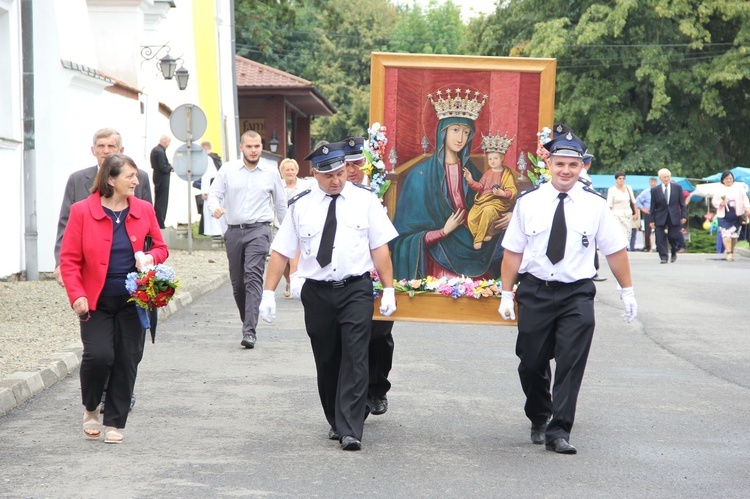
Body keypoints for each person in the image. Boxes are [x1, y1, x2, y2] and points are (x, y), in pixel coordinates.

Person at [499, 131, 637, 455]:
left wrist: (627, 290)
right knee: (531, 363)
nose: (566, 170)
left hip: (577, 293)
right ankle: (539, 414)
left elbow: (615, 250)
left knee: (571, 362)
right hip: (536, 291)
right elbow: (512, 253)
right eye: (560, 163)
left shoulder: (595, 206)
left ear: (582, 166)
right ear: (549, 164)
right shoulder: (528, 203)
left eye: (573, 165)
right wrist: (507, 293)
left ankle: (559, 430)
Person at [258, 141, 398, 451]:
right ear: (315, 174)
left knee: (356, 354)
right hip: (317, 293)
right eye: (327, 175)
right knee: (328, 357)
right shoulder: (301, 206)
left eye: (339, 173)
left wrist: (388, 287)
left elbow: (380, 247)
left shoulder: (366, 201)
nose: (335, 180)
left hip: (356, 288)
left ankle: (351, 428)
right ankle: (337, 419)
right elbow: (281, 250)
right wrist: (268, 293)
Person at [60, 153, 168, 444]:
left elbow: (161, 248)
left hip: (134, 299)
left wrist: (148, 256)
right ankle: (92, 407)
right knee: (99, 356)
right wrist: (77, 294)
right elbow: (68, 260)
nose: (136, 181)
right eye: (129, 176)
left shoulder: (144, 209)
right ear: (110, 179)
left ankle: (115, 423)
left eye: (136, 176)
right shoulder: (83, 211)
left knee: (126, 359)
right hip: (95, 301)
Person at [391, 88, 504, 280]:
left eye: (466, 132)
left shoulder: (474, 173)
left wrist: (505, 216)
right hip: (439, 256)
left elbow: (489, 204)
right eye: (455, 130)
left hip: (473, 245)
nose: (460, 138)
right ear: (442, 132)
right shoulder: (419, 176)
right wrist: (442, 232)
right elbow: (404, 237)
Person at [206, 130, 286, 349]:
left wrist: (288, 234)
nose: (253, 150)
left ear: (261, 147)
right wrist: (215, 208)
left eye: (257, 146)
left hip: (259, 230)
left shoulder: (270, 173)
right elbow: (214, 194)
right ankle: (248, 319)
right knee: (238, 283)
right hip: (233, 231)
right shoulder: (228, 170)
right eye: (249, 146)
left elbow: (280, 205)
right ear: (241, 147)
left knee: (252, 277)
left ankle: (249, 330)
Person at [55, 128, 152, 287]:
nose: (105, 151)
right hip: (90, 269)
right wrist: (60, 263)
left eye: (111, 146)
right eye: (100, 146)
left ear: (121, 150)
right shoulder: (77, 180)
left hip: (132, 267)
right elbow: (65, 224)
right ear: (93, 150)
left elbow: (149, 226)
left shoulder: (139, 177)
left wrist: (150, 259)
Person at [343, 136, 395, 416]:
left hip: (379, 273)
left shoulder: (385, 191)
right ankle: (356, 397)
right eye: (347, 164)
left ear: (369, 165)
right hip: (350, 276)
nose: (352, 170)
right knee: (351, 340)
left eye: (358, 163)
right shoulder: (336, 193)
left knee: (379, 336)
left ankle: (377, 389)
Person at [464, 132, 518, 249]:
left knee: (488, 211)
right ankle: (488, 231)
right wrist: (470, 180)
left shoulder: (506, 174)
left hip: (499, 202)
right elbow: (480, 186)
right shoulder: (488, 173)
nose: (492, 161)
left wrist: (502, 193)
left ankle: (479, 239)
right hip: (483, 200)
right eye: (490, 159)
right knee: (472, 217)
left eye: (495, 158)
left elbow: (512, 190)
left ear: (502, 158)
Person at [278, 158, 308, 297]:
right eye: (287, 170)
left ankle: (297, 284)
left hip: (299, 225)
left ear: (296, 171)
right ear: (281, 172)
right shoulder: (277, 185)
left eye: (292, 169)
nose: (290, 172)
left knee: (296, 256)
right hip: (280, 224)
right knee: (281, 256)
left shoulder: (305, 186)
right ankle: (290, 281)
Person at [649, 168, 687, 264]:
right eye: (664, 177)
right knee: (660, 237)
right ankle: (663, 257)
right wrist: (651, 219)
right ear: (660, 178)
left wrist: (683, 216)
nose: (666, 179)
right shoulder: (655, 190)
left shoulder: (677, 187)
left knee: (673, 236)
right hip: (660, 216)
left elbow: (682, 203)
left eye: (668, 177)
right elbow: (652, 206)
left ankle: (674, 251)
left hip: (674, 215)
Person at [711, 170, 750, 261]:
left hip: (736, 214)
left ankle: (731, 251)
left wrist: (748, 208)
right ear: (723, 180)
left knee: (734, 235)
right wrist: (721, 203)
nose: (729, 180)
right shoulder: (719, 189)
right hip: (724, 215)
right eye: (727, 178)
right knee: (726, 234)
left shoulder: (739, 188)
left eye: (730, 178)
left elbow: (745, 199)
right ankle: (728, 253)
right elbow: (714, 201)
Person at [199, 143, 226, 239]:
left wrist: (205, 191)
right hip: (217, 187)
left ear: (205, 148)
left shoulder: (208, 159)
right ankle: (218, 231)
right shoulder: (216, 158)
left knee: (211, 210)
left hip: (211, 188)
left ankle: (216, 232)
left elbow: (207, 176)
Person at [606, 172, 638, 248]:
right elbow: (609, 205)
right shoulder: (612, 190)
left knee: (627, 235)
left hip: (627, 215)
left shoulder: (628, 188)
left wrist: (636, 213)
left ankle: (624, 250)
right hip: (616, 215)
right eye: (620, 178)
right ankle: (619, 250)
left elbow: (633, 201)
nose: (622, 180)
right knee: (619, 234)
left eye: (623, 178)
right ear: (616, 179)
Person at [150, 135, 172, 229]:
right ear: (165, 141)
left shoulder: (155, 150)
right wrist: (170, 167)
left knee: (158, 200)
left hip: (157, 177)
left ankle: (157, 221)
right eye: (169, 142)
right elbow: (163, 168)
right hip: (162, 178)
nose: (169, 144)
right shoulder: (160, 151)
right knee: (162, 201)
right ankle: (160, 223)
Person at [636, 177, 658, 252]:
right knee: (647, 230)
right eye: (652, 182)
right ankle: (647, 246)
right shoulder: (646, 192)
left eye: (654, 182)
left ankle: (659, 246)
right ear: (649, 183)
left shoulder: (659, 191)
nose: (653, 184)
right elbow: (637, 201)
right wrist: (642, 209)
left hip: (658, 212)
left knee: (659, 230)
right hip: (648, 212)